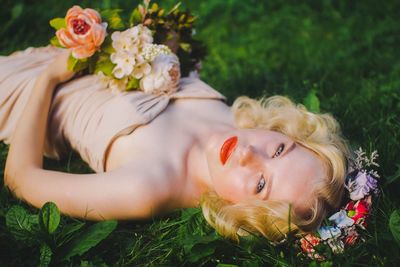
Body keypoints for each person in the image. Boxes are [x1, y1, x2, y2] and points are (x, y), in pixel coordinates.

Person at [1, 46, 349, 242]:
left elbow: (21, 177)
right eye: (279, 150)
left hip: (21, 95)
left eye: (260, 184)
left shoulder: (147, 187)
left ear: (247, 214)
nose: (246, 153)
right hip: (67, 54)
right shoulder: (236, 120)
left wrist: (48, 79)